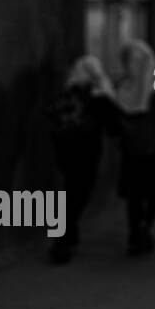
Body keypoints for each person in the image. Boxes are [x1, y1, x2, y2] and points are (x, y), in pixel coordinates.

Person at [45, 56, 117, 263]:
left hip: (65, 154)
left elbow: (51, 118)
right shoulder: (97, 97)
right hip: (88, 153)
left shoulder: (67, 94)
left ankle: (66, 238)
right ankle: (63, 241)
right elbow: (112, 126)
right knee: (79, 195)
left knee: (70, 192)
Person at [110, 39, 155, 256]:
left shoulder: (128, 83)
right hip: (150, 146)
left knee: (137, 194)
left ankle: (137, 231)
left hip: (135, 147)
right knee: (148, 193)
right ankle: (142, 229)